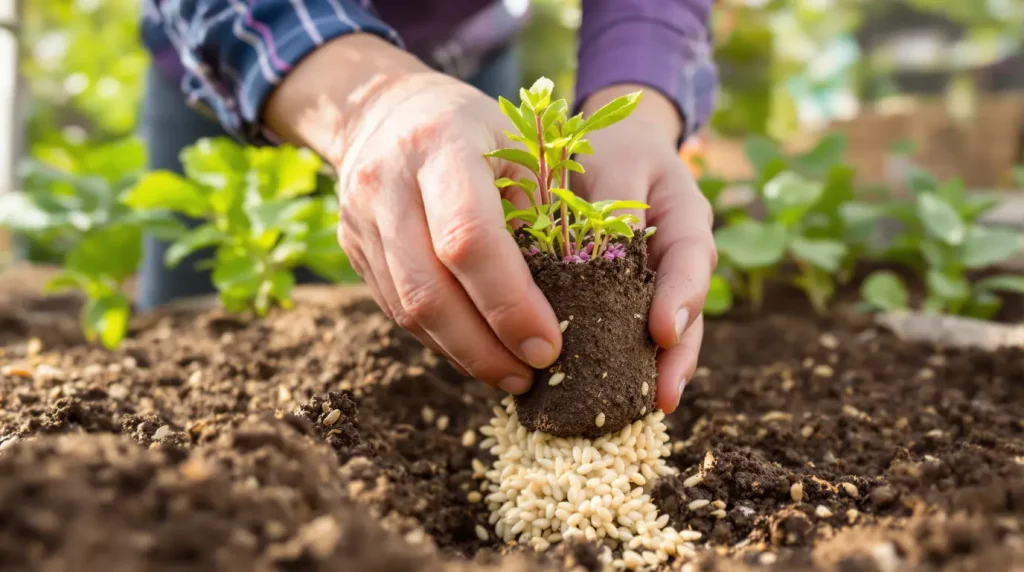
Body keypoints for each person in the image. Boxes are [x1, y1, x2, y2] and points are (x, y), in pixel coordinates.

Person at [138, 0, 719, 414]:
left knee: (487, 257)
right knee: (192, 334)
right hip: (240, 49)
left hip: (470, 43)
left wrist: (637, 107)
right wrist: (368, 100)